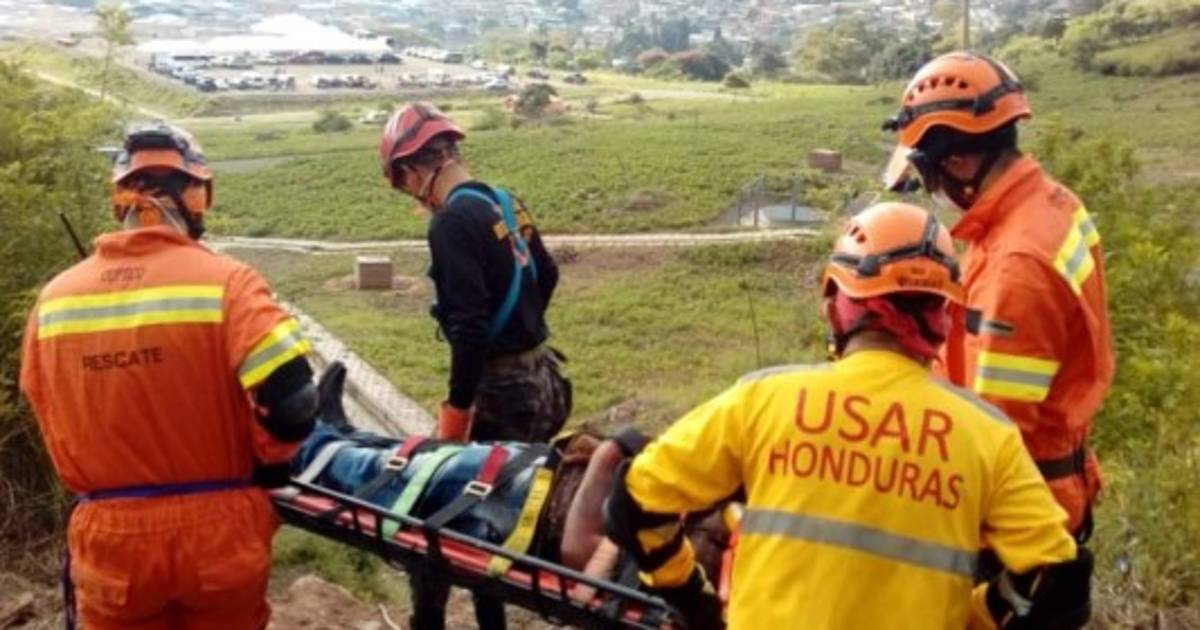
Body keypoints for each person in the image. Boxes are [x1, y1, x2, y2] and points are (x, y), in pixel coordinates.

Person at [603, 203, 1093, 630]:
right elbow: (1059, 584)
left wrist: (693, 597)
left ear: (839, 305)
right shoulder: (987, 437)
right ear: (943, 317)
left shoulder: (762, 401)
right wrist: (975, 617)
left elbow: (635, 503)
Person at [20, 123, 318, 630]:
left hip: (111, 538)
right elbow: (295, 401)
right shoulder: (229, 283)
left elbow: (45, 405)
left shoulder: (53, 302)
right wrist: (269, 464)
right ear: (197, 197)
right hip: (219, 531)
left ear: (120, 199)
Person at [881, 51, 1114, 539]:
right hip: (1043, 485)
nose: (931, 186)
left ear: (959, 161)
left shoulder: (1017, 264)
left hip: (1015, 515)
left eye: (927, 171)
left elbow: (997, 434)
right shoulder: (1047, 205)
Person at [289, 361, 732, 591]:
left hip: (521, 511)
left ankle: (305, 442)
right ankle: (339, 432)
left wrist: (606, 459)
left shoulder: (694, 569)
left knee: (401, 478)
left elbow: (579, 552)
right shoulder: (731, 529)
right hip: (540, 479)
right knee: (424, 458)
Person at [379, 102, 570, 629]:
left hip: (501, 395)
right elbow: (547, 273)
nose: (413, 197)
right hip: (545, 382)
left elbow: (467, 330)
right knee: (489, 513)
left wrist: (456, 418)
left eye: (403, 184)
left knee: (435, 509)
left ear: (412, 169)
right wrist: (522, 328)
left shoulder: (451, 223)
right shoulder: (505, 202)